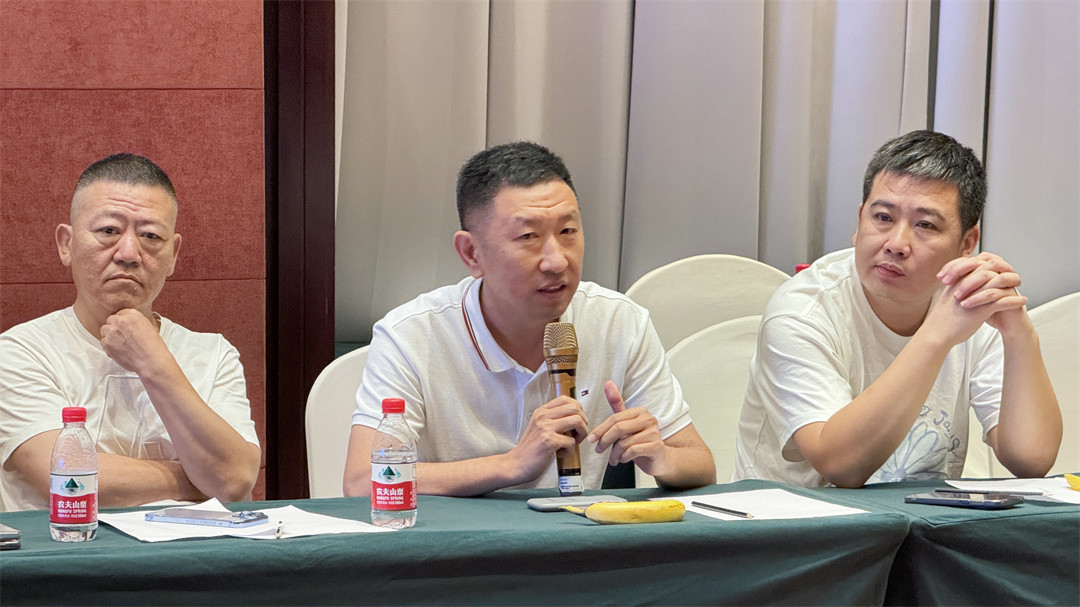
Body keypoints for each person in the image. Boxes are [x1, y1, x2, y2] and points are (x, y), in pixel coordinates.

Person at [343, 141, 716, 496]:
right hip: (451, 541)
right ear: (471, 253)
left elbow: (700, 465)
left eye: (568, 231)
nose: (556, 260)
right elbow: (363, 481)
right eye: (528, 237)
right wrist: (511, 465)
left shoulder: (619, 322)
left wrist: (662, 458)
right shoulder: (411, 335)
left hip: (572, 536)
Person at [733, 130, 1062, 488]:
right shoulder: (803, 310)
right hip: (797, 520)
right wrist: (935, 337)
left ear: (967, 243)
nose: (897, 244)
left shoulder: (971, 302)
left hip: (922, 519)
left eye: (925, 225)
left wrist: (1019, 335)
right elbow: (840, 466)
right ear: (859, 221)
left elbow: (1031, 459)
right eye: (883, 217)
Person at [0, 153, 261, 511]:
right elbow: (67, 482)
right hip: (69, 544)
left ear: (173, 255)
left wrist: (152, 361)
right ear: (66, 244)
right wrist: (201, 480)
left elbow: (235, 480)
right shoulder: (21, 351)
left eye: (150, 236)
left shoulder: (214, 355)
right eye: (108, 231)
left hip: (189, 546)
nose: (128, 253)